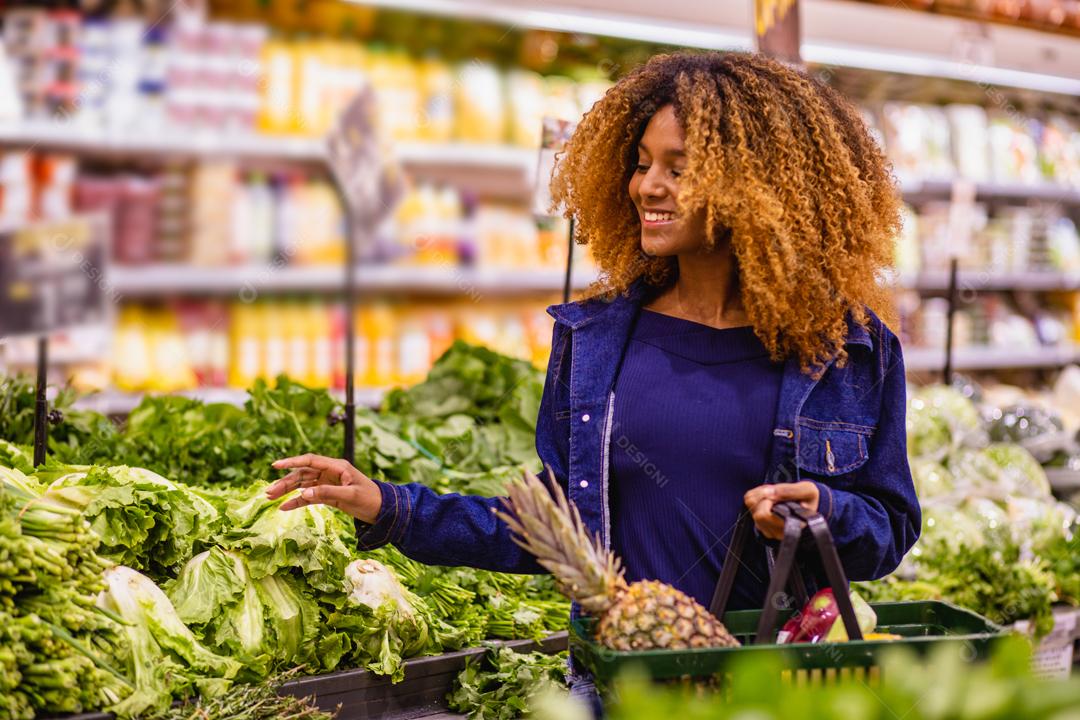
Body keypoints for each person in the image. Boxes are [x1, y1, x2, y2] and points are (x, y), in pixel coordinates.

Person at [266, 50, 920, 701]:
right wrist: (388, 506)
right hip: (619, 691)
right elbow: (555, 527)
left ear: (757, 187)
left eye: (678, 169)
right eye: (640, 163)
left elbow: (889, 529)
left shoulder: (849, 349)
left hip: (779, 691)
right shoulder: (596, 338)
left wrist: (825, 512)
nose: (647, 187)